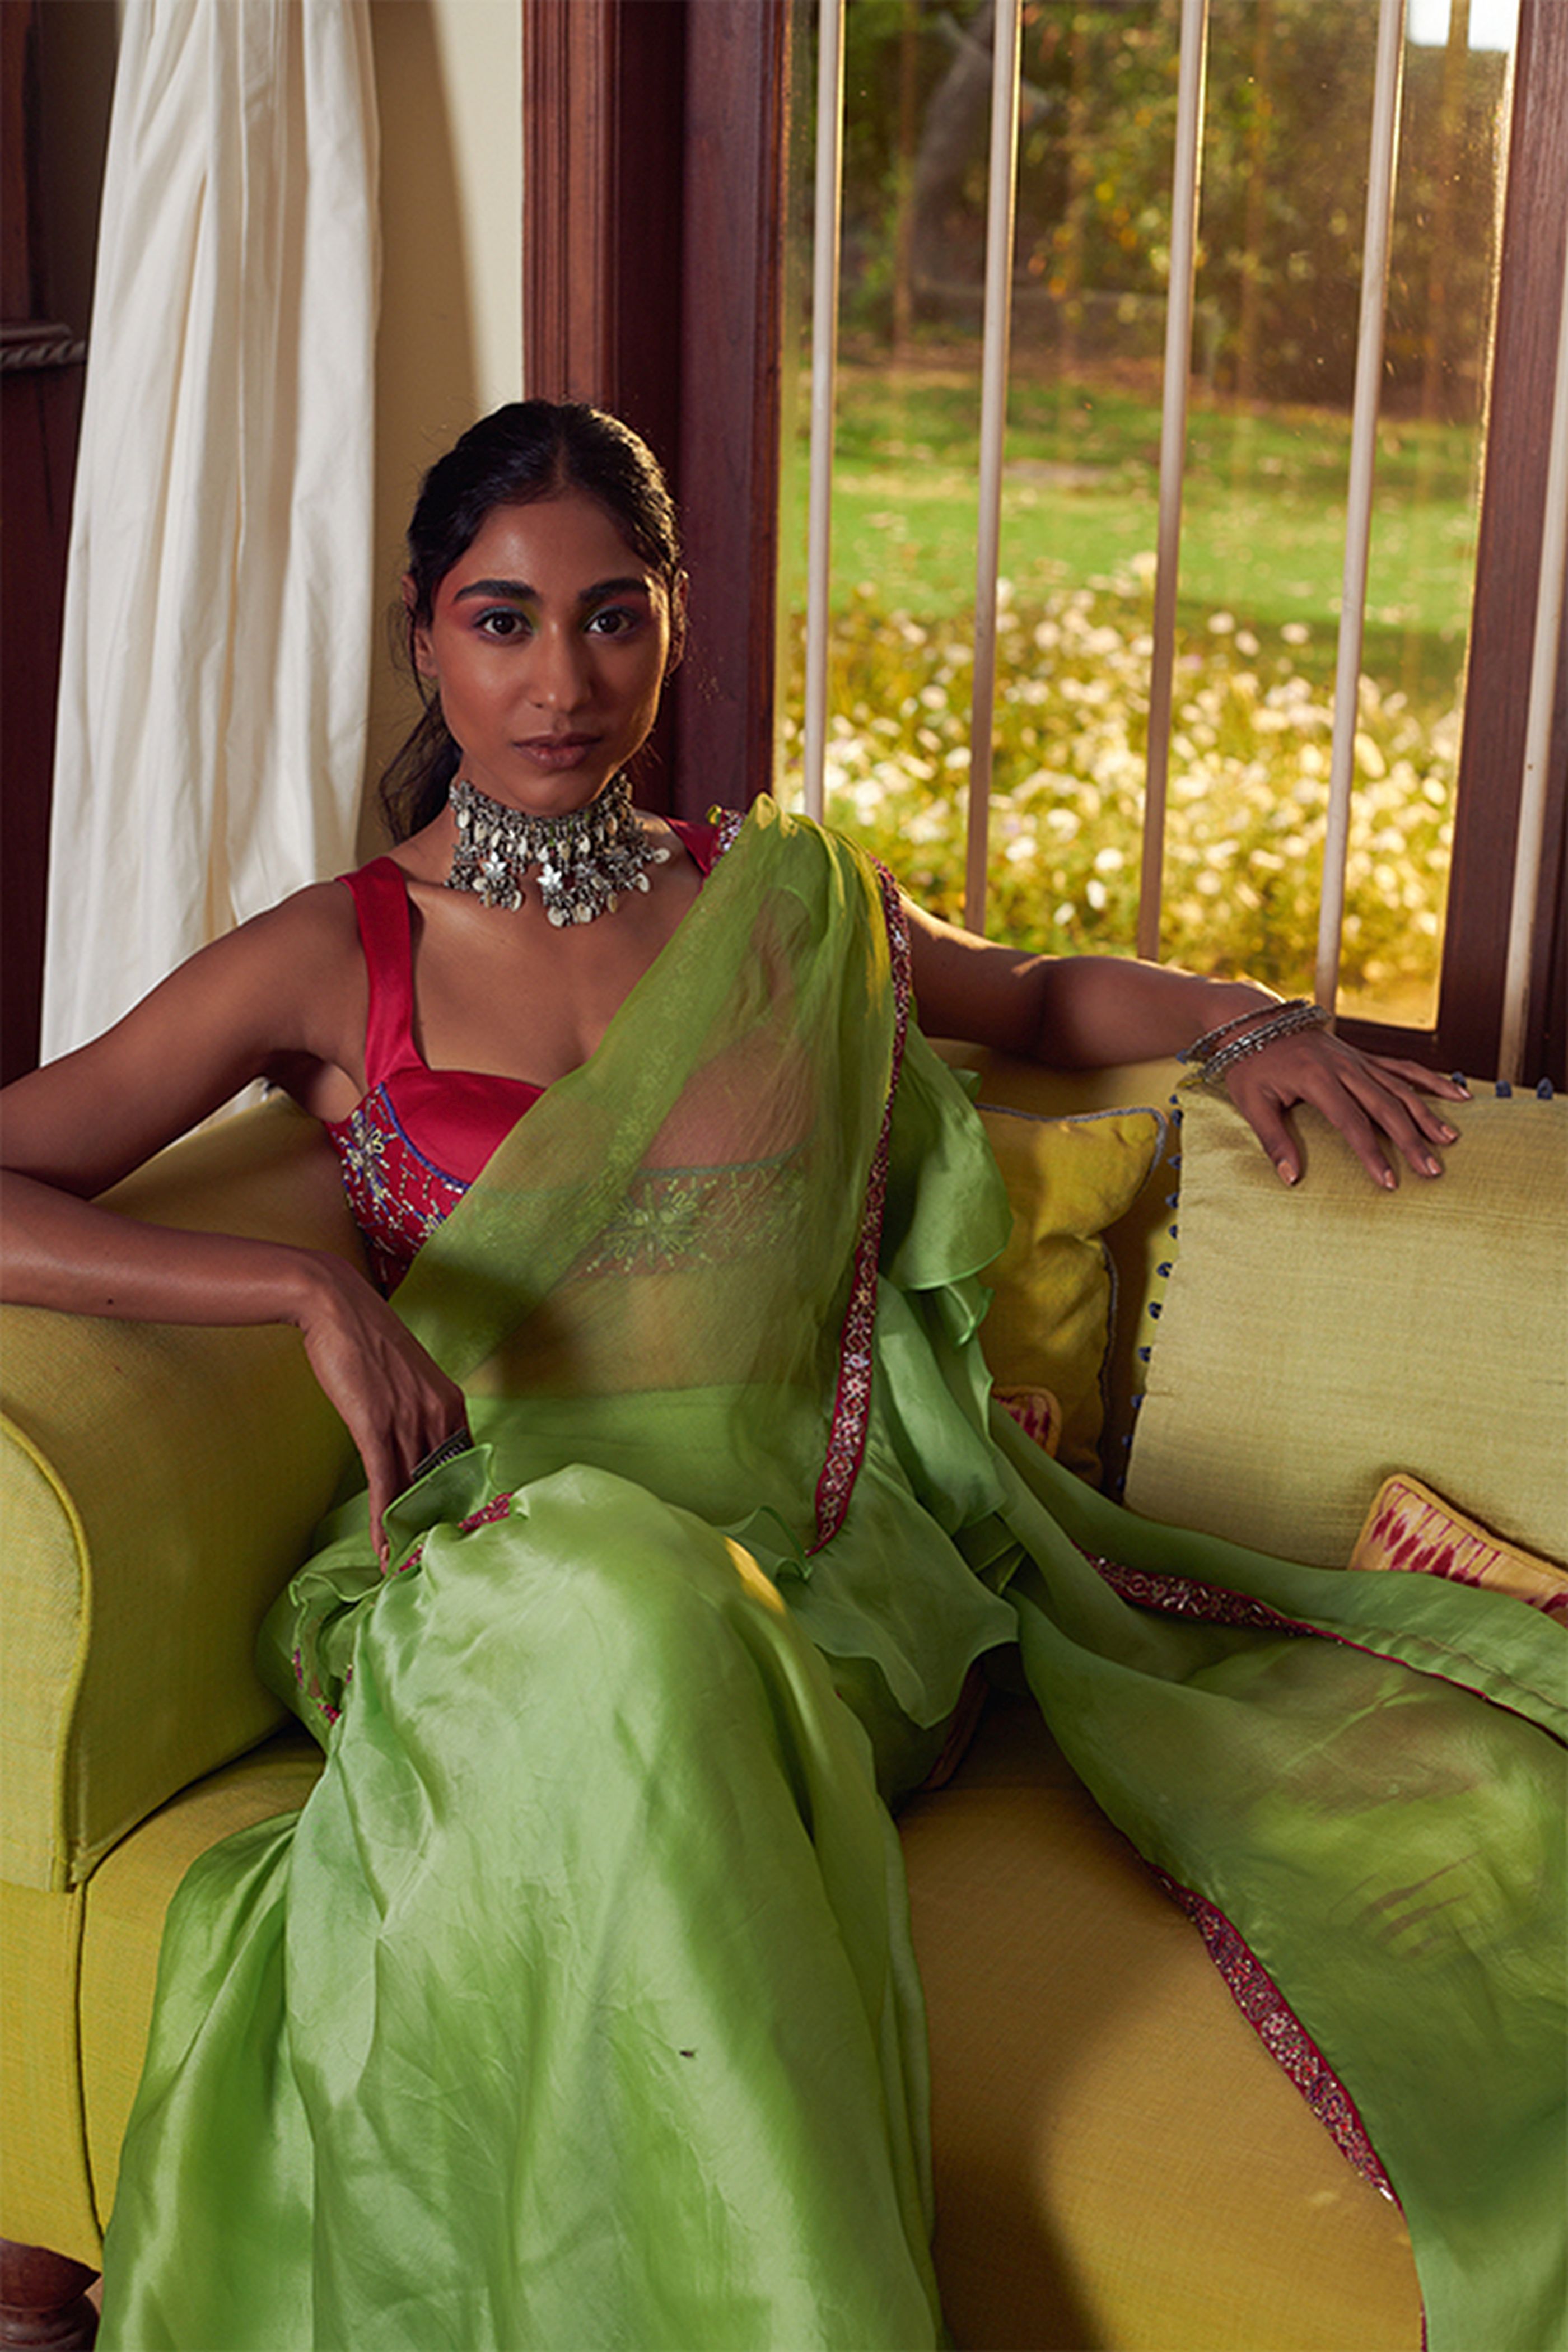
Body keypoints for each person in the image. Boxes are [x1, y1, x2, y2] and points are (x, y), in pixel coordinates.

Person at [1, 402, 1560, 2352]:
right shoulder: (335, 955)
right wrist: (295, 1297)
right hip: (477, 1577)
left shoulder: (781, 900)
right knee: (604, 1612)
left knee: (661, 1620)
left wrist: (1247, 1028)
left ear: (671, 627)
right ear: (422, 636)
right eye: (503, 622)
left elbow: (1040, 998)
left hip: (814, 1591)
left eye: (611, 618)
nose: (563, 682)